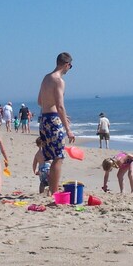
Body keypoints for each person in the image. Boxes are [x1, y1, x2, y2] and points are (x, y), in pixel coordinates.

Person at [37, 52, 75, 195]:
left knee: (52, 157)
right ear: (67, 64)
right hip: (53, 120)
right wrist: (68, 129)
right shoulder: (59, 81)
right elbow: (60, 105)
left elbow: (40, 101)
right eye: (70, 66)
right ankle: (54, 192)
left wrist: (61, 116)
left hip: (44, 119)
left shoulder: (46, 78)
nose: (69, 69)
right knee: (58, 157)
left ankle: (52, 190)